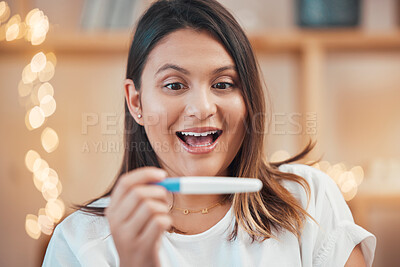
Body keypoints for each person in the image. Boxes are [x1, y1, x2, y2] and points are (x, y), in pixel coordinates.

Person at [42, 0, 376, 266]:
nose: (201, 108)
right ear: (136, 101)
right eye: (174, 85)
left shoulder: (308, 201)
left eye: (223, 84)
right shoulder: (79, 242)